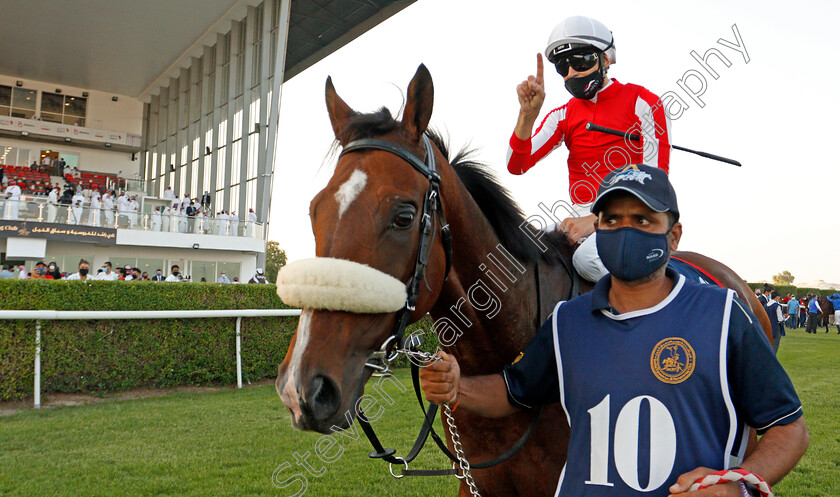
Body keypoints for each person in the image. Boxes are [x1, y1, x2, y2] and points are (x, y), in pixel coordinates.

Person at [420, 164, 808, 497]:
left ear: (673, 236)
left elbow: (790, 428)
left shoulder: (724, 315)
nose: (624, 231)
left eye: (642, 220)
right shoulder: (567, 320)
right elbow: (512, 391)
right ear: (598, 229)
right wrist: (458, 387)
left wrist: (737, 484)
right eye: (611, 220)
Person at [506, 16, 671, 283]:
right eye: (562, 67)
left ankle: (659, 298)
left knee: (586, 259)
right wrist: (527, 115)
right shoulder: (562, 116)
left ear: (605, 59)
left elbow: (655, 187)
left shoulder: (645, 103)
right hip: (579, 217)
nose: (571, 73)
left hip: (635, 219)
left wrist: (596, 221)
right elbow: (516, 165)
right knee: (519, 250)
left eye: (580, 61)